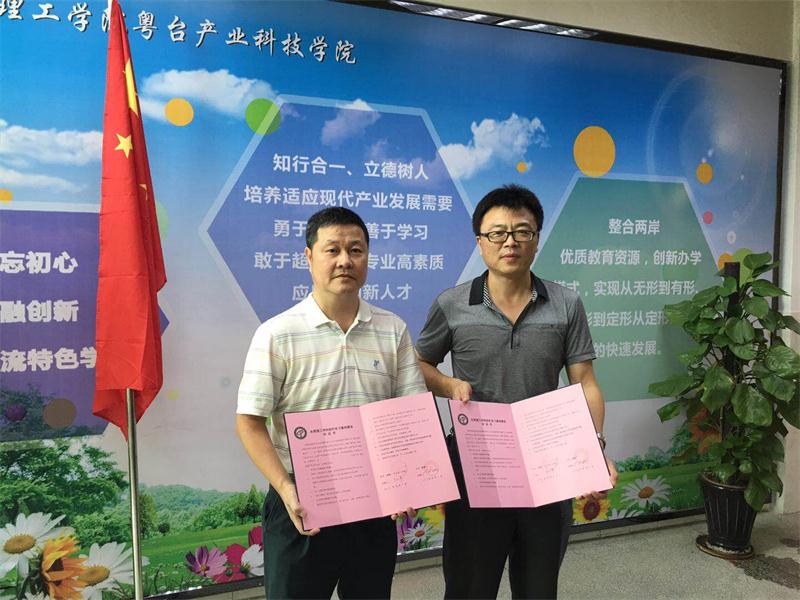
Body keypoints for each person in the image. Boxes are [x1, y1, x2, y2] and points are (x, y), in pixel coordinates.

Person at [416, 184, 618, 599]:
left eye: (522, 232)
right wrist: (449, 385)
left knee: (538, 586)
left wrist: (594, 447)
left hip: (548, 462)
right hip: (476, 462)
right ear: (480, 242)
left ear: (536, 239)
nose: (510, 242)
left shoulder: (565, 303)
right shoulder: (452, 304)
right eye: (497, 233)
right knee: (470, 586)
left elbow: (585, 381)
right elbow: (418, 366)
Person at [236, 207, 426, 599]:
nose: (345, 261)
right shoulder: (277, 334)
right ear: (309, 257)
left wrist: (407, 483)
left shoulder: (392, 330)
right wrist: (286, 488)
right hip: (301, 506)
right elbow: (249, 423)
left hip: (374, 504)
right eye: (332, 250)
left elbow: (410, 417)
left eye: (356, 250)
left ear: (368, 257)